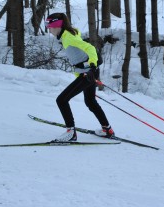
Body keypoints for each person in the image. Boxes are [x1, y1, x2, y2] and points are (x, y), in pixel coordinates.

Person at [45, 12, 115, 142]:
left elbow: (90, 48)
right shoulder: (67, 35)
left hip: (88, 73)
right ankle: (107, 129)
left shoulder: (69, 38)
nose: (49, 30)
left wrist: (92, 65)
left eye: (49, 26)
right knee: (90, 101)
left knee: (61, 100)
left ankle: (71, 133)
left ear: (57, 26)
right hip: (88, 72)